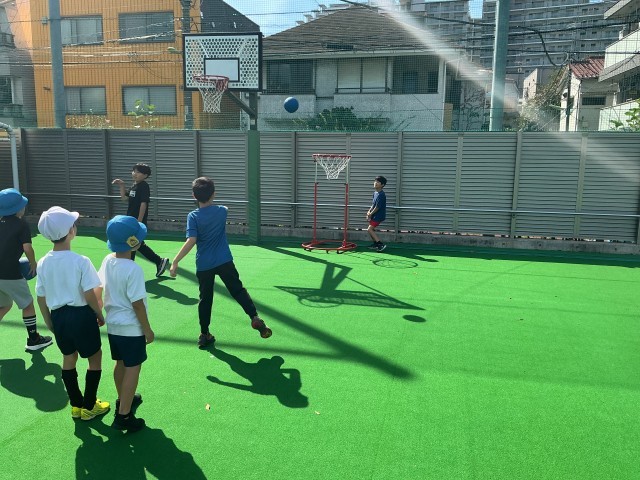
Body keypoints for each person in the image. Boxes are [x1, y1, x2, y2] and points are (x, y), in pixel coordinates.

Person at [169, 176, 272, 348]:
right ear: (214, 194)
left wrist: (175, 261)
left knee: (205, 299)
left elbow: (191, 240)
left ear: (194, 196)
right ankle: (254, 316)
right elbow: (222, 208)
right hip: (224, 261)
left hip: (204, 265)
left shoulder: (193, 216)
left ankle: (204, 334)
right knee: (238, 290)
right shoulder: (222, 211)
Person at [35, 206, 110, 421]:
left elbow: (40, 296)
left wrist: (49, 321)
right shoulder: (81, 261)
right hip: (82, 316)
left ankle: (76, 405)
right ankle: (90, 405)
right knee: (95, 357)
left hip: (59, 317)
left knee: (69, 357)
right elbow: (89, 294)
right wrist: (99, 314)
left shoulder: (43, 262)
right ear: (71, 231)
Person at [96, 215, 154, 432]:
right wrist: (147, 330)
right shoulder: (133, 269)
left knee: (120, 363)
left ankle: (123, 399)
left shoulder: (107, 260)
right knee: (133, 368)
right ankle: (124, 415)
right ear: (133, 242)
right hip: (131, 327)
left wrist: (98, 312)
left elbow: (98, 288)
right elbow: (137, 304)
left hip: (114, 325)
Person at [0, 188, 53, 351]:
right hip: (11, 273)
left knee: (4, 305)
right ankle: (34, 340)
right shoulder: (21, 225)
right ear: (18, 209)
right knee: (28, 304)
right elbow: (27, 247)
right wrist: (32, 263)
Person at [112, 163, 170, 278]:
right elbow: (124, 198)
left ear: (145, 175)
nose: (135, 174)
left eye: (138, 172)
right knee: (136, 244)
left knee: (133, 244)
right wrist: (122, 185)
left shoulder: (144, 186)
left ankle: (130, 270)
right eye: (134, 171)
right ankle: (159, 261)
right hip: (130, 221)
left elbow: (144, 203)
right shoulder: (134, 186)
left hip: (136, 222)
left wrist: (139, 221)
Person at [366, 175, 387, 252]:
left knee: (369, 229)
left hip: (379, 216)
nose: (375, 183)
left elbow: (377, 207)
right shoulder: (375, 193)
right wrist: (369, 211)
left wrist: (370, 214)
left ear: (382, 185)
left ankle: (380, 244)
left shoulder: (381, 194)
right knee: (370, 230)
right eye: (375, 181)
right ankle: (376, 244)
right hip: (374, 215)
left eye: (378, 182)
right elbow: (373, 204)